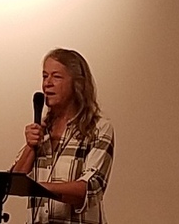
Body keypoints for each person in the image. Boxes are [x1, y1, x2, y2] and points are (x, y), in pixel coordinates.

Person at [11, 48, 114, 224]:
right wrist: (30, 146)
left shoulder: (98, 128)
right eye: (45, 76)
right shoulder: (43, 129)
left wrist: (38, 188)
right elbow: (13, 183)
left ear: (77, 84)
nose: (47, 83)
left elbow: (90, 189)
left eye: (56, 77)